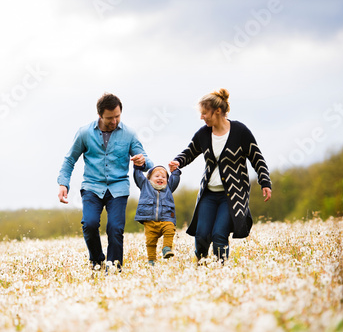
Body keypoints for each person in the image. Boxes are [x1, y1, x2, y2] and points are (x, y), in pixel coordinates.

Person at [169, 88, 272, 263]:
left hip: (231, 196)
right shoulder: (203, 133)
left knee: (219, 235)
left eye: (204, 113)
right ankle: (202, 269)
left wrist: (265, 182)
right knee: (201, 235)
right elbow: (189, 152)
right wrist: (178, 161)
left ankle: (220, 271)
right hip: (208, 194)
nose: (202, 117)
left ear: (217, 111)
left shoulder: (240, 131)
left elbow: (257, 158)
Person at [57, 93, 153, 271]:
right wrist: (64, 183)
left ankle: (114, 268)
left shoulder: (129, 134)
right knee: (89, 224)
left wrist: (143, 161)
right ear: (100, 115)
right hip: (92, 187)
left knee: (115, 228)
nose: (114, 121)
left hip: (118, 188)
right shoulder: (85, 133)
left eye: (117, 116)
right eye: (110, 118)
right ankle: (98, 261)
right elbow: (70, 159)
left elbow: (147, 161)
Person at [132, 164, 181, 266]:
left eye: (164, 177)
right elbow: (138, 176)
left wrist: (175, 171)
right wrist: (137, 166)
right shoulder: (145, 185)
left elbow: (175, 179)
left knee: (170, 230)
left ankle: (167, 248)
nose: (160, 178)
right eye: (157, 176)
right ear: (149, 178)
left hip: (166, 218)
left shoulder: (168, 187)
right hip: (149, 220)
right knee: (150, 242)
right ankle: (152, 260)